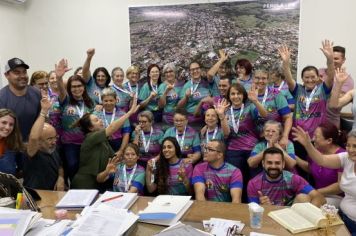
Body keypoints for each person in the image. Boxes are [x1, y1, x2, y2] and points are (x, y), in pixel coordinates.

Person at [292, 127, 356, 234]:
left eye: (355, 146)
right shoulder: (346, 158)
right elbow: (321, 160)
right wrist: (308, 145)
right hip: (341, 217)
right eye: (348, 145)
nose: (350, 150)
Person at [278, 41, 334, 160]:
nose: (310, 80)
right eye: (306, 77)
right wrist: (286, 63)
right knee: (299, 167)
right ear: (302, 79)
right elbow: (288, 78)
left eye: (313, 77)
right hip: (298, 136)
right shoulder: (298, 90)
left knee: (314, 167)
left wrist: (330, 59)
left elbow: (331, 76)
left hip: (316, 138)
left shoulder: (323, 90)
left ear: (318, 77)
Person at [71, 96, 139, 191]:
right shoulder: (90, 137)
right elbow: (111, 128)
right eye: (97, 120)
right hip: (84, 184)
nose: (101, 121)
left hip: (98, 183)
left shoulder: (103, 141)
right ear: (90, 128)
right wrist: (130, 113)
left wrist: (131, 152)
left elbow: (115, 158)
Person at [215, 83, 267, 179]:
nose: (236, 96)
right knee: (236, 179)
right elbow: (226, 134)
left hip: (251, 149)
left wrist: (256, 101)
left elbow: (264, 115)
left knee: (254, 178)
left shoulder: (250, 107)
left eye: (239, 93)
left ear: (243, 95)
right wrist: (221, 116)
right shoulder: (225, 111)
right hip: (233, 151)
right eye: (233, 94)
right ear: (229, 96)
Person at [55, 59, 94, 181]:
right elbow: (61, 89)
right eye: (73, 87)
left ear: (84, 87)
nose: (77, 89)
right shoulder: (65, 100)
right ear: (69, 89)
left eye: (79, 86)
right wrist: (59, 78)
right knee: (72, 167)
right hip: (70, 144)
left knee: (86, 170)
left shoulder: (90, 102)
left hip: (87, 143)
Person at [247, 147, 326, 207]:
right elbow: (252, 211)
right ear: (263, 164)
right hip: (267, 218)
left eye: (277, 163)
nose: (273, 166)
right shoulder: (253, 183)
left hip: (290, 217)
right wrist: (262, 207)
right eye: (269, 163)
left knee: (303, 198)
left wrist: (309, 211)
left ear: (283, 164)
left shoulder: (293, 179)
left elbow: (319, 197)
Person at [295, 122, 345, 206]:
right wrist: (293, 157)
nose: (313, 139)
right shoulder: (316, 152)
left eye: (316, 137)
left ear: (329, 140)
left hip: (336, 196)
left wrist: (317, 192)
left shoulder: (342, 156)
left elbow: (339, 186)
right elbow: (310, 169)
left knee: (311, 205)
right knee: (301, 198)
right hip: (317, 193)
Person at [23, 96, 64, 191]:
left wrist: (61, 178)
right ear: (39, 142)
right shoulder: (32, 152)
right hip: (36, 195)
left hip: (53, 194)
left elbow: (60, 166)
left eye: (55, 137)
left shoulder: (53, 148)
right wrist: (43, 112)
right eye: (49, 139)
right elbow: (34, 138)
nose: (54, 141)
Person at [0, 58, 41, 141]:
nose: (22, 76)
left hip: (33, 144)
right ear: (7, 75)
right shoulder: (1, 97)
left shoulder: (36, 93)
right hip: (9, 147)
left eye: (24, 72)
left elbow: (40, 119)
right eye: (17, 72)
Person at [253, 68, 292, 146]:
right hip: (254, 139)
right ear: (253, 79)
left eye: (263, 78)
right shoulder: (248, 95)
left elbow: (288, 117)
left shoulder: (276, 93)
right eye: (257, 78)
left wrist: (285, 136)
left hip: (275, 138)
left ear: (268, 80)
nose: (260, 81)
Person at [319, 45, 354, 128]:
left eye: (336, 58)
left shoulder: (347, 80)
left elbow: (336, 104)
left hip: (330, 122)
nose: (333, 61)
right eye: (331, 57)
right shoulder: (320, 71)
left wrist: (324, 87)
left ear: (343, 60)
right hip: (311, 118)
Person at [93, 88, 131, 153]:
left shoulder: (123, 115)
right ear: (102, 101)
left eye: (111, 100)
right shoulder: (96, 113)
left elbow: (126, 134)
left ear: (116, 100)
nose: (109, 103)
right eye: (106, 101)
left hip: (117, 144)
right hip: (100, 144)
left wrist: (121, 151)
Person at [0, 109, 24, 176]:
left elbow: (21, 168)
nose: (7, 127)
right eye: (4, 122)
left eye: (11, 124)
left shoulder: (14, 144)